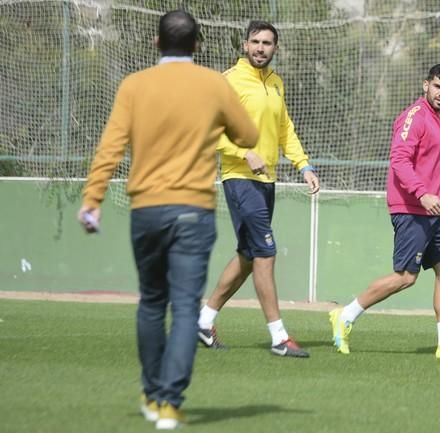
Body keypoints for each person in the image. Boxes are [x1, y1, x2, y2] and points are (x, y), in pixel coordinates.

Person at [77, 10, 258, 430]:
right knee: (184, 306)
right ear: (197, 46)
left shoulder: (134, 86)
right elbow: (248, 136)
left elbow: (110, 148)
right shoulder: (215, 84)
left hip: (146, 211)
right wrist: (217, 124)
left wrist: (93, 200)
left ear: (156, 44)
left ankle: (152, 392)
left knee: (152, 303)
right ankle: (171, 404)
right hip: (194, 210)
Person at [329, 64, 440, 360]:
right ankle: (344, 316)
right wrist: (422, 193)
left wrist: (430, 197)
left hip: (433, 210)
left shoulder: (438, 118)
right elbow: (399, 160)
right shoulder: (415, 116)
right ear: (425, 85)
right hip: (412, 208)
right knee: (405, 277)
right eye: (438, 86)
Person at [197, 20, 319, 358]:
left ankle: (204, 321)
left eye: (267, 43)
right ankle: (279, 338)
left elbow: (285, 130)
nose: (260, 48)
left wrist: (303, 165)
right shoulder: (228, 81)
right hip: (239, 178)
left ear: (275, 48)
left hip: (267, 181)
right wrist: (242, 152)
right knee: (266, 252)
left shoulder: (276, 83)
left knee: (249, 256)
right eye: (255, 42)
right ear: (245, 44)